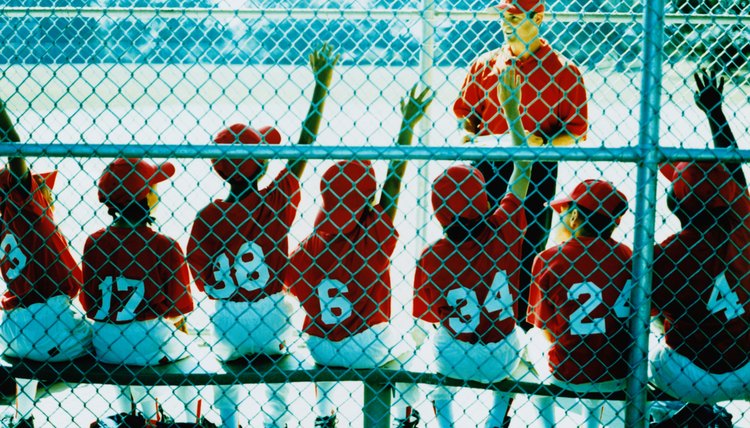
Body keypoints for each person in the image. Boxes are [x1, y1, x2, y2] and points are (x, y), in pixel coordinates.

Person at [187, 44, 338, 428]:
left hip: (226, 323)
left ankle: (228, 420)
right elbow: (303, 148)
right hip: (272, 318)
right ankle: (278, 421)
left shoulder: (207, 216)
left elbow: (199, 273)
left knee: (224, 366)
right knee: (280, 369)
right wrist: (321, 86)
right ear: (264, 165)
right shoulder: (276, 200)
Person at [287, 85, 433, 428]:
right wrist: (406, 126)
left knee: (318, 338)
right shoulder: (373, 237)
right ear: (366, 203)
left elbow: (292, 286)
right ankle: (405, 417)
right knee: (412, 347)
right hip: (369, 344)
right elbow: (393, 185)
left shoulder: (307, 246)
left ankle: (324, 414)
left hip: (321, 345)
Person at [453, 0, 588, 329]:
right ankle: (474, 321)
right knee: (475, 242)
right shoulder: (484, 65)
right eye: (504, 16)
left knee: (528, 246)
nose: (505, 23)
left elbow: (576, 133)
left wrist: (544, 143)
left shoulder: (563, 71)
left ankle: (521, 329)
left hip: (536, 170)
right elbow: (466, 123)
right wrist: (472, 138)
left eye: (514, 16)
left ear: (537, 18)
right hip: (486, 167)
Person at [413, 68, 532, 428]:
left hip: (454, 354)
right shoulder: (506, 227)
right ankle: (496, 420)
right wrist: (512, 111)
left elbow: (430, 314)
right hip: (500, 352)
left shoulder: (432, 254)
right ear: (483, 200)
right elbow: (523, 165)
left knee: (432, 354)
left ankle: (446, 423)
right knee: (521, 348)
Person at [650, 69, 750, 407]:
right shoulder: (745, 226)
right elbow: (734, 172)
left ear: (675, 203)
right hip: (746, 368)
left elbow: (650, 313)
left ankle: (679, 415)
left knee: (655, 340)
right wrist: (715, 113)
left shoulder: (666, 252)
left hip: (689, 375)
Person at [80, 158, 196, 423]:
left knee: (129, 358)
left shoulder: (94, 241)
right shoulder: (164, 244)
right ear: (145, 196)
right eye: (153, 187)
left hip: (105, 340)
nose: (157, 192)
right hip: (148, 338)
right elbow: (179, 309)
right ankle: (191, 419)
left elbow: (89, 302)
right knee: (191, 357)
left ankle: (133, 415)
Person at [0, 95, 92, 428]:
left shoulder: (6, 224)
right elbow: (16, 156)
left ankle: (23, 414)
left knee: (35, 357)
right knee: (106, 345)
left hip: (11, 327)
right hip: (49, 320)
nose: (47, 192)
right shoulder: (26, 211)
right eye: (41, 187)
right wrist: (3, 114)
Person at [526, 179, 631, 428]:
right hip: (617, 374)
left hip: (567, 375)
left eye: (561, 212)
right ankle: (592, 423)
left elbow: (546, 328)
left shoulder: (549, 258)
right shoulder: (628, 255)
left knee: (531, 338)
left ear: (574, 216)